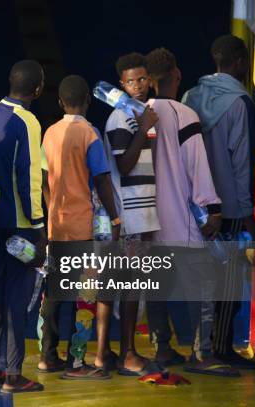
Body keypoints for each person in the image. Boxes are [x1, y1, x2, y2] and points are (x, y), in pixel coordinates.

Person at [145, 47, 239, 377]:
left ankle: (161, 347)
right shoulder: (185, 115)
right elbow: (197, 166)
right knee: (202, 288)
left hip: (147, 223)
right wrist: (212, 209)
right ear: (177, 75)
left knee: (155, 289)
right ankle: (201, 354)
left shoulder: (141, 112)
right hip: (181, 221)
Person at [182, 35, 255, 369]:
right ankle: (221, 348)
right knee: (228, 281)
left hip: (194, 206)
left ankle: (201, 346)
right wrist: (245, 213)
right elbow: (241, 162)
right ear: (240, 63)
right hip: (226, 207)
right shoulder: (241, 103)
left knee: (200, 279)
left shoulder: (190, 96)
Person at [39, 75, 121, 379]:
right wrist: (114, 217)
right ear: (87, 100)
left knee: (55, 293)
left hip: (56, 225)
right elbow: (101, 178)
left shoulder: (50, 133)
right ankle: (76, 362)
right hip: (83, 225)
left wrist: (51, 208)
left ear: (60, 102)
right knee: (85, 295)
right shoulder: (89, 133)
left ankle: (48, 356)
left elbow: (44, 178)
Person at [0, 59, 46, 393]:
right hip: (20, 225)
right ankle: (14, 375)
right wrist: (39, 226)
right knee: (18, 296)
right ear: (38, 89)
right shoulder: (27, 120)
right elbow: (29, 176)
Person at [103, 53, 174, 372]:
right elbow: (122, 164)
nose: (139, 86)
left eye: (143, 79)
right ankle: (127, 353)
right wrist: (144, 127)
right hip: (130, 213)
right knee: (129, 285)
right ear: (122, 84)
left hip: (142, 210)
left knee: (135, 285)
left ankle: (126, 351)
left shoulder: (137, 115)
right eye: (132, 81)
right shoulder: (121, 118)